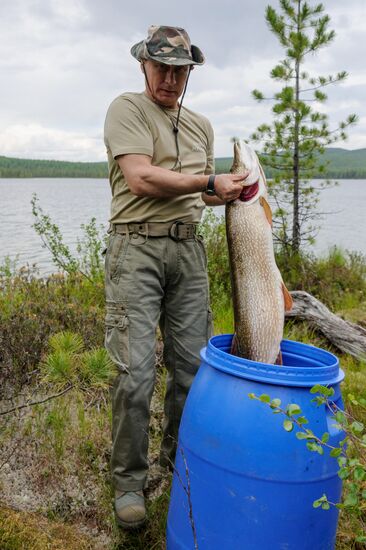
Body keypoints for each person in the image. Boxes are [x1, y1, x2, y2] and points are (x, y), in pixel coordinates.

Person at [103, 25, 248, 529]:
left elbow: (199, 194)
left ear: (190, 71)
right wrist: (208, 180)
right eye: (160, 66)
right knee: (136, 373)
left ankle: (175, 465)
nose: (169, 78)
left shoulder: (201, 125)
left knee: (192, 371)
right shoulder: (127, 108)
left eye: (179, 69)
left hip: (189, 251)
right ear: (143, 64)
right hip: (136, 248)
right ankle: (128, 482)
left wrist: (226, 189)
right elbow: (141, 177)